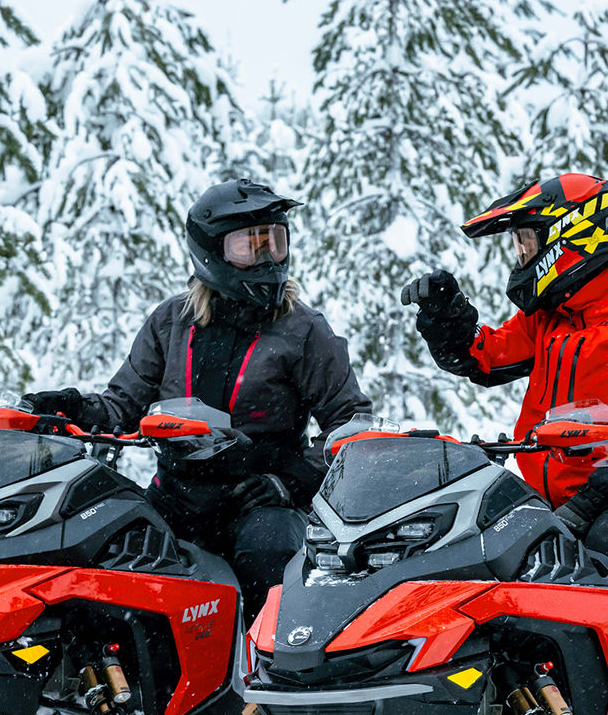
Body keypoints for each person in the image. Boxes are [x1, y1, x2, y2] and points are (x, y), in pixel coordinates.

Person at [401, 173, 608, 715]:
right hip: (550, 504)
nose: (521, 254)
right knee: (462, 560)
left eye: (527, 240)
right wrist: (444, 314)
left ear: (573, 237)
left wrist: (601, 494)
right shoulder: (547, 321)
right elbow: (480, 359)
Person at [24, 178, 372, 614]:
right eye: (250, 246)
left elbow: (351, 423)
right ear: (210, 251)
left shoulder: (303, 330)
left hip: (261, 500)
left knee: (269, 555)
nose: (268, 259)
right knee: (108, 554)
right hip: (177, 497)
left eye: (276, 243)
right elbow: (122, 406)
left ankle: (268, 668)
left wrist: (289, 481)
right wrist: (72, 407)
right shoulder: (171, 323)